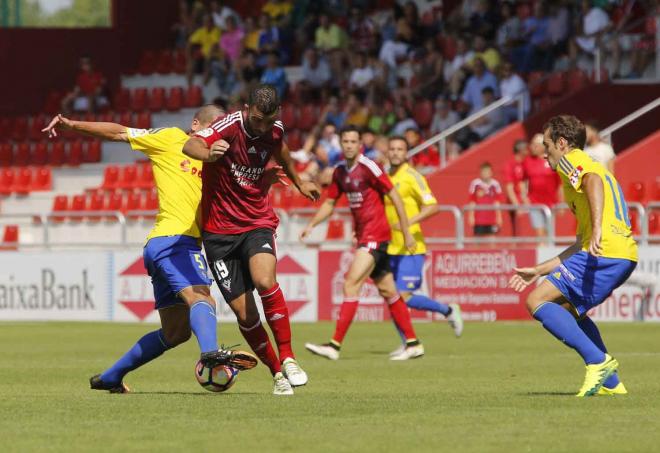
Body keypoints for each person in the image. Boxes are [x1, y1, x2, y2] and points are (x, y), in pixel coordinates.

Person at [42, 105, 262, 393]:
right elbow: (120, 132)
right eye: (212, 126)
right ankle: (210, 355)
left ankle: (111, 376)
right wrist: (73, 126)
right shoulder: (171, 139)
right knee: (202, 300)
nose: (218, 133)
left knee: (175, 332)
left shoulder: (220, 160)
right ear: (196, 124)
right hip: (174, 241)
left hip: (168, 246)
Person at [182, 84, 321, 395]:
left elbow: (281, 150)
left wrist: (299, 182)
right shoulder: (228, 126)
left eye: (268, 121)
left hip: (256, 221)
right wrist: (209, 152)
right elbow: (189, 146)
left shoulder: (273, 130)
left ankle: (288, 357)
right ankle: (277, 374)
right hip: (218, 233)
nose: (262, 127)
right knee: (246, 313)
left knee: (264, 280)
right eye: (257, 120)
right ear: (246, 109)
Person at [509, 115, 637, 397]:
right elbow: (580, 243)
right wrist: (539, 269)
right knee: (567, 311)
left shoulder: (573, 161)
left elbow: (592, 181)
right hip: (621, 254)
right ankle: (612, 384)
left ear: (562, 143)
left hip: (606, 250)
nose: (544, 152)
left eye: (547, 144)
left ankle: (598, 361)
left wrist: (599, 230)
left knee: (536, 300)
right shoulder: (582, 170)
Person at [301, 126, 424, 361]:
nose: (348, 145)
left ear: (360, 145)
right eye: (345, 141)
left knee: (350, 284)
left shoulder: (369, 167)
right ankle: (413, 343)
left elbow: (394, 196)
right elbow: (329, 203)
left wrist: (407, 231)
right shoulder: (340, 172)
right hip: (366, 236)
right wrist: (312, 225)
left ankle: (334, 346)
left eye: (353, 141)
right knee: (388, 290)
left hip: (375, 236)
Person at [385, 136, 463, 357]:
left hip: (411, 247)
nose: (395, 152)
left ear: (407, 153)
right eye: (392, 148)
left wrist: (406, 223)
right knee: (393, 299)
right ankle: (408, 343)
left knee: (403, 297)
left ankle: (447, 310)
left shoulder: (412, 177)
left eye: (400, 149)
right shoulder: (384, 177)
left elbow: (433, 206)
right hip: (389, 247)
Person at [522, 133, 561, 238]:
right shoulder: (527, 161)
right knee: (539, 233)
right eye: (532, 144)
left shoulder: (552, 160)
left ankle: (548, 253)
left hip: (551, 203)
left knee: (549, 233)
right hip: (535, 202)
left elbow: (560, 184)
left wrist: (561, 202)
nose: (533, 147)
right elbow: (523, 180)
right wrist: (524, 197)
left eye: (536, 145)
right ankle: (541, 252)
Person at [467, 162, 503, 239]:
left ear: (491, 173)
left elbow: (497, 202)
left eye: (487, 171)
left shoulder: (495, 184)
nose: (485, 174)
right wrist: (471, 216)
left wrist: (499, 217)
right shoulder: (475, 184)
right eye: (483, 172)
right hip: (479, 219)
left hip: (492, 219)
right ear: (480, 173)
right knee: (477, 241)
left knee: (492, 240)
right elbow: (472, 201)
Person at [186, 14, 221, 86]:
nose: (207, 23)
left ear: (212, 22)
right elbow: (189, 43)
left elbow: (215, 46)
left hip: (214, 56)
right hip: (203, 55)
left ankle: (203, 87)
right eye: (205, 22)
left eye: (208, 21)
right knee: (191, 64)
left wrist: (208, 55)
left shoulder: (217, 30)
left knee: (208, 61)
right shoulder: (201, 31)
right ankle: (190, 88)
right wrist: (189, 58)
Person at [502, 139, 528, 236]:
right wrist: (517, 206)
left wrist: (526, 200)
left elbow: (524, 183)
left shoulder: (525, 163)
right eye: (526, 149)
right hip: (516, 203)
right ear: (520, 150)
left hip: (526, 201)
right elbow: (509, 188)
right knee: (518, 232)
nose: (528, 151)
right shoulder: (510, 164)